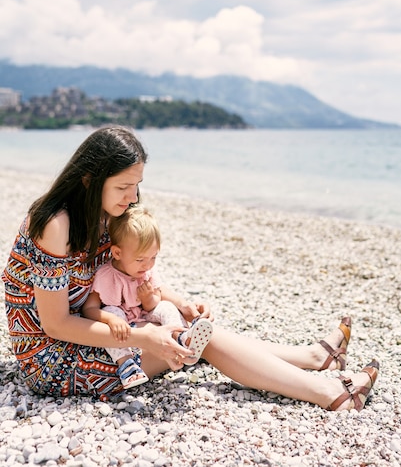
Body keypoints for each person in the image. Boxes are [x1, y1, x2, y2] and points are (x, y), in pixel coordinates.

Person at [2, 125, 379, 409]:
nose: (133, 198)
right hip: (55, 359)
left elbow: (134, 275)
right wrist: (144, 338)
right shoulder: (57, 224)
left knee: (191, 326)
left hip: (103, 330)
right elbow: (56, 325)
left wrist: (180, 301)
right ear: (89, 180)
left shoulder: (104, 214)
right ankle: (328, 392)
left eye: (137, 185)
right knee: (195, 338)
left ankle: (315, 359)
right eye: (122, 187)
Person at [82, 204, 213, 389]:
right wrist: (110, 319)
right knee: (112, 310)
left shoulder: (146, 271)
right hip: (124, 327)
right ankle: (126, 364)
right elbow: (89, 309)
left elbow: (154, 304)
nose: (148, 265)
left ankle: (180, 338)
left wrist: (147, 299)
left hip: (143, 317)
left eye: (153, 257)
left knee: (167, 307)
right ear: (117, 253)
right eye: (140, 259)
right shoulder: (106, 275)